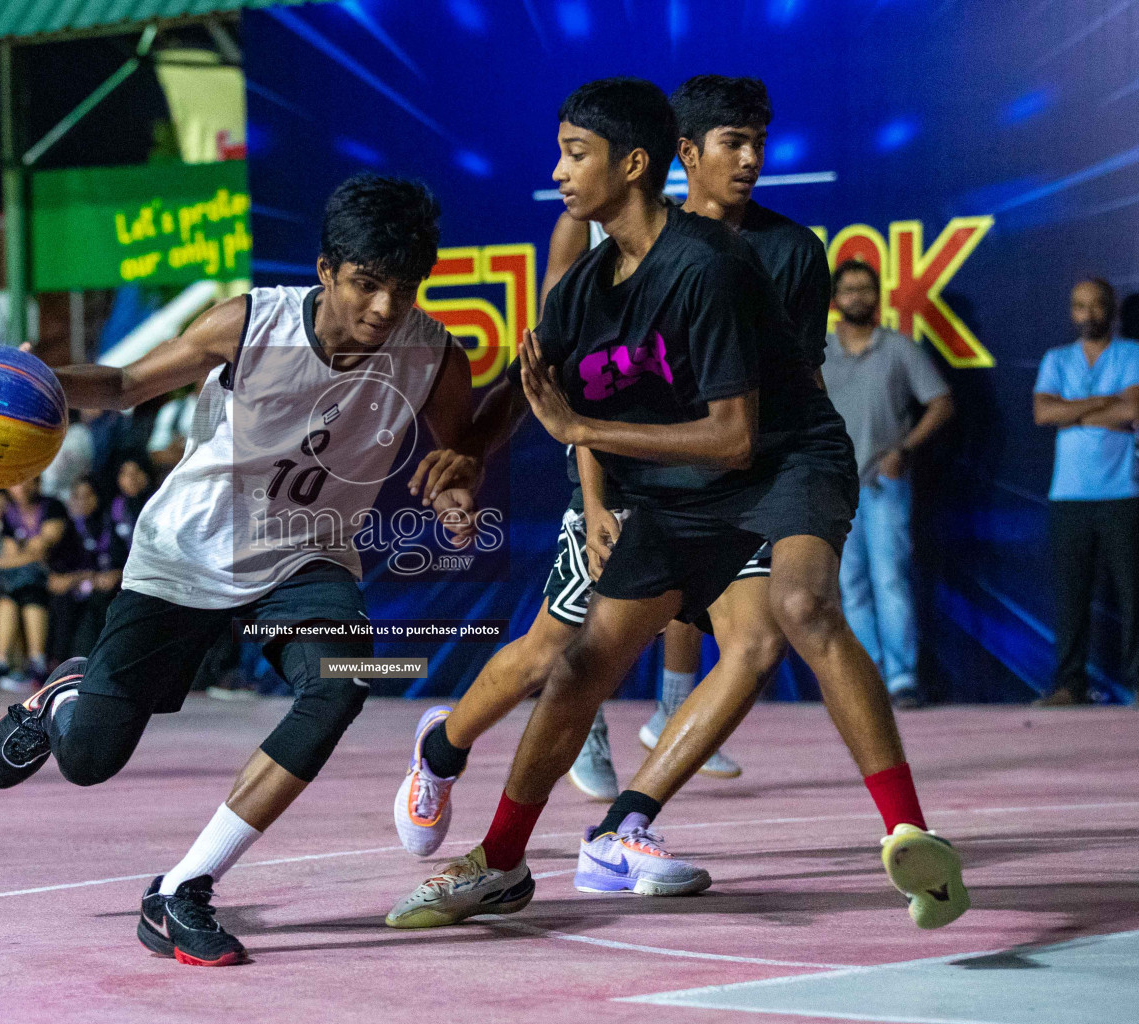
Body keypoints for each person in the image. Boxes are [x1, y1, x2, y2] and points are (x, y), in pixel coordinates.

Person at [385, 78, 967, 934]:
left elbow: (734, 436)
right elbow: (534, 382)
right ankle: (501, 863)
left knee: (796, 610)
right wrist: (468, 453)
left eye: (574, 154)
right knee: (577, 660)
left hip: (783, 466)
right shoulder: (588, 283)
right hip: (673, 491)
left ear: (635, 164)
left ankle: (913, 836)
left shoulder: (714, 264)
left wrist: (583, 426)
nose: (557, 171)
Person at [0, 173, 485, 966]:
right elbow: (121, 387)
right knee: (88, 761)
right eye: (366, 284)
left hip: (306, 557)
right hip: (188, 553)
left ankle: (181, 888)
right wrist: (25, 375)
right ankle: (63, 698)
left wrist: (456, 495)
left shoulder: (431, 357)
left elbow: (457, 455)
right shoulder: (251, 324)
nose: (385, 308)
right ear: (326, 271)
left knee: (342, 680)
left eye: (403, 288)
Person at [825, 260, 955, 709]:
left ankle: (902, 680)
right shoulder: (818, 352)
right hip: (835, 490)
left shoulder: (898, 348)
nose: (857, 296)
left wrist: (904, 448)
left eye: (865, 289)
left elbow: (940, 402)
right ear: (834, 299)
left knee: (891, 580)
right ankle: (870, 677)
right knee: (851, 587)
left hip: (883, 485)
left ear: (878, 297)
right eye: (849, 289)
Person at [1031, 278, 1139, 705]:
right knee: (1071, 596)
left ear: (1110, 310)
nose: (1088, 314)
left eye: (1096, 306)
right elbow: (1043, 412)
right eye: (1080, 306)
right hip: (1068, 496)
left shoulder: (1133, 353)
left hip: (1123, 493)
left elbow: (1135, 409)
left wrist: (1071, 410)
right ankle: (1070, 684)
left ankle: (1137, 682)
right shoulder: (1057, 358)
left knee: (1134, 594)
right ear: (1071, 312)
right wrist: (1106, 404)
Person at [0, 475, 66, 691]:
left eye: (28, 481)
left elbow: (39, 552)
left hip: (60, 573)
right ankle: (1, 663)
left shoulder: (53, 507)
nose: (22, 487)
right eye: (16, 482)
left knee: (29, 588)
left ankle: (38, 664)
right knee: (11, 594)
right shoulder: (9, 514)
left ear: (38, 484)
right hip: (29, 579)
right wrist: (3, 563)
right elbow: (12, 557)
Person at [47, 477, 127, 662]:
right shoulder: (66, 531)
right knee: (62, 603)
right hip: (74, 593)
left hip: (108, 592)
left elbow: (124, 564)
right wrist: (83, 577)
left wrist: (116, 575)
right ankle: (58, 665)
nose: (81, 502)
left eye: (87, 496)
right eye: (76, 496)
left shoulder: (112, 525)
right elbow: (54, 582)